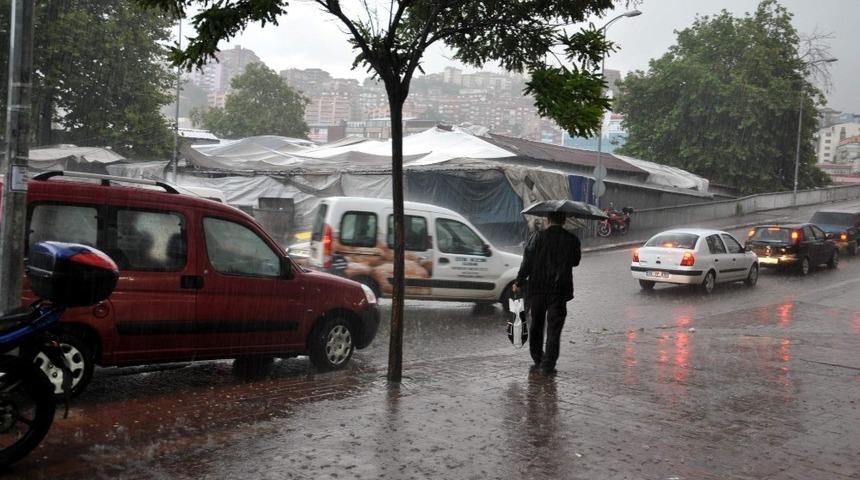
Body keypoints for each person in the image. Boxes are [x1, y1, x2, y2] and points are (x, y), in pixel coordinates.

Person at [512, 211, 581, 376]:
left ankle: (537, 358)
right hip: (559, 290)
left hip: (537, 288)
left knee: (536, 324)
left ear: (548, 220)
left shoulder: (537, 237)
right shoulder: (572, 239)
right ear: (564, 221)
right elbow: (575, 261)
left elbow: (527, 262)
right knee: (554, 329)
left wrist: (518, 282)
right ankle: (548, 365)